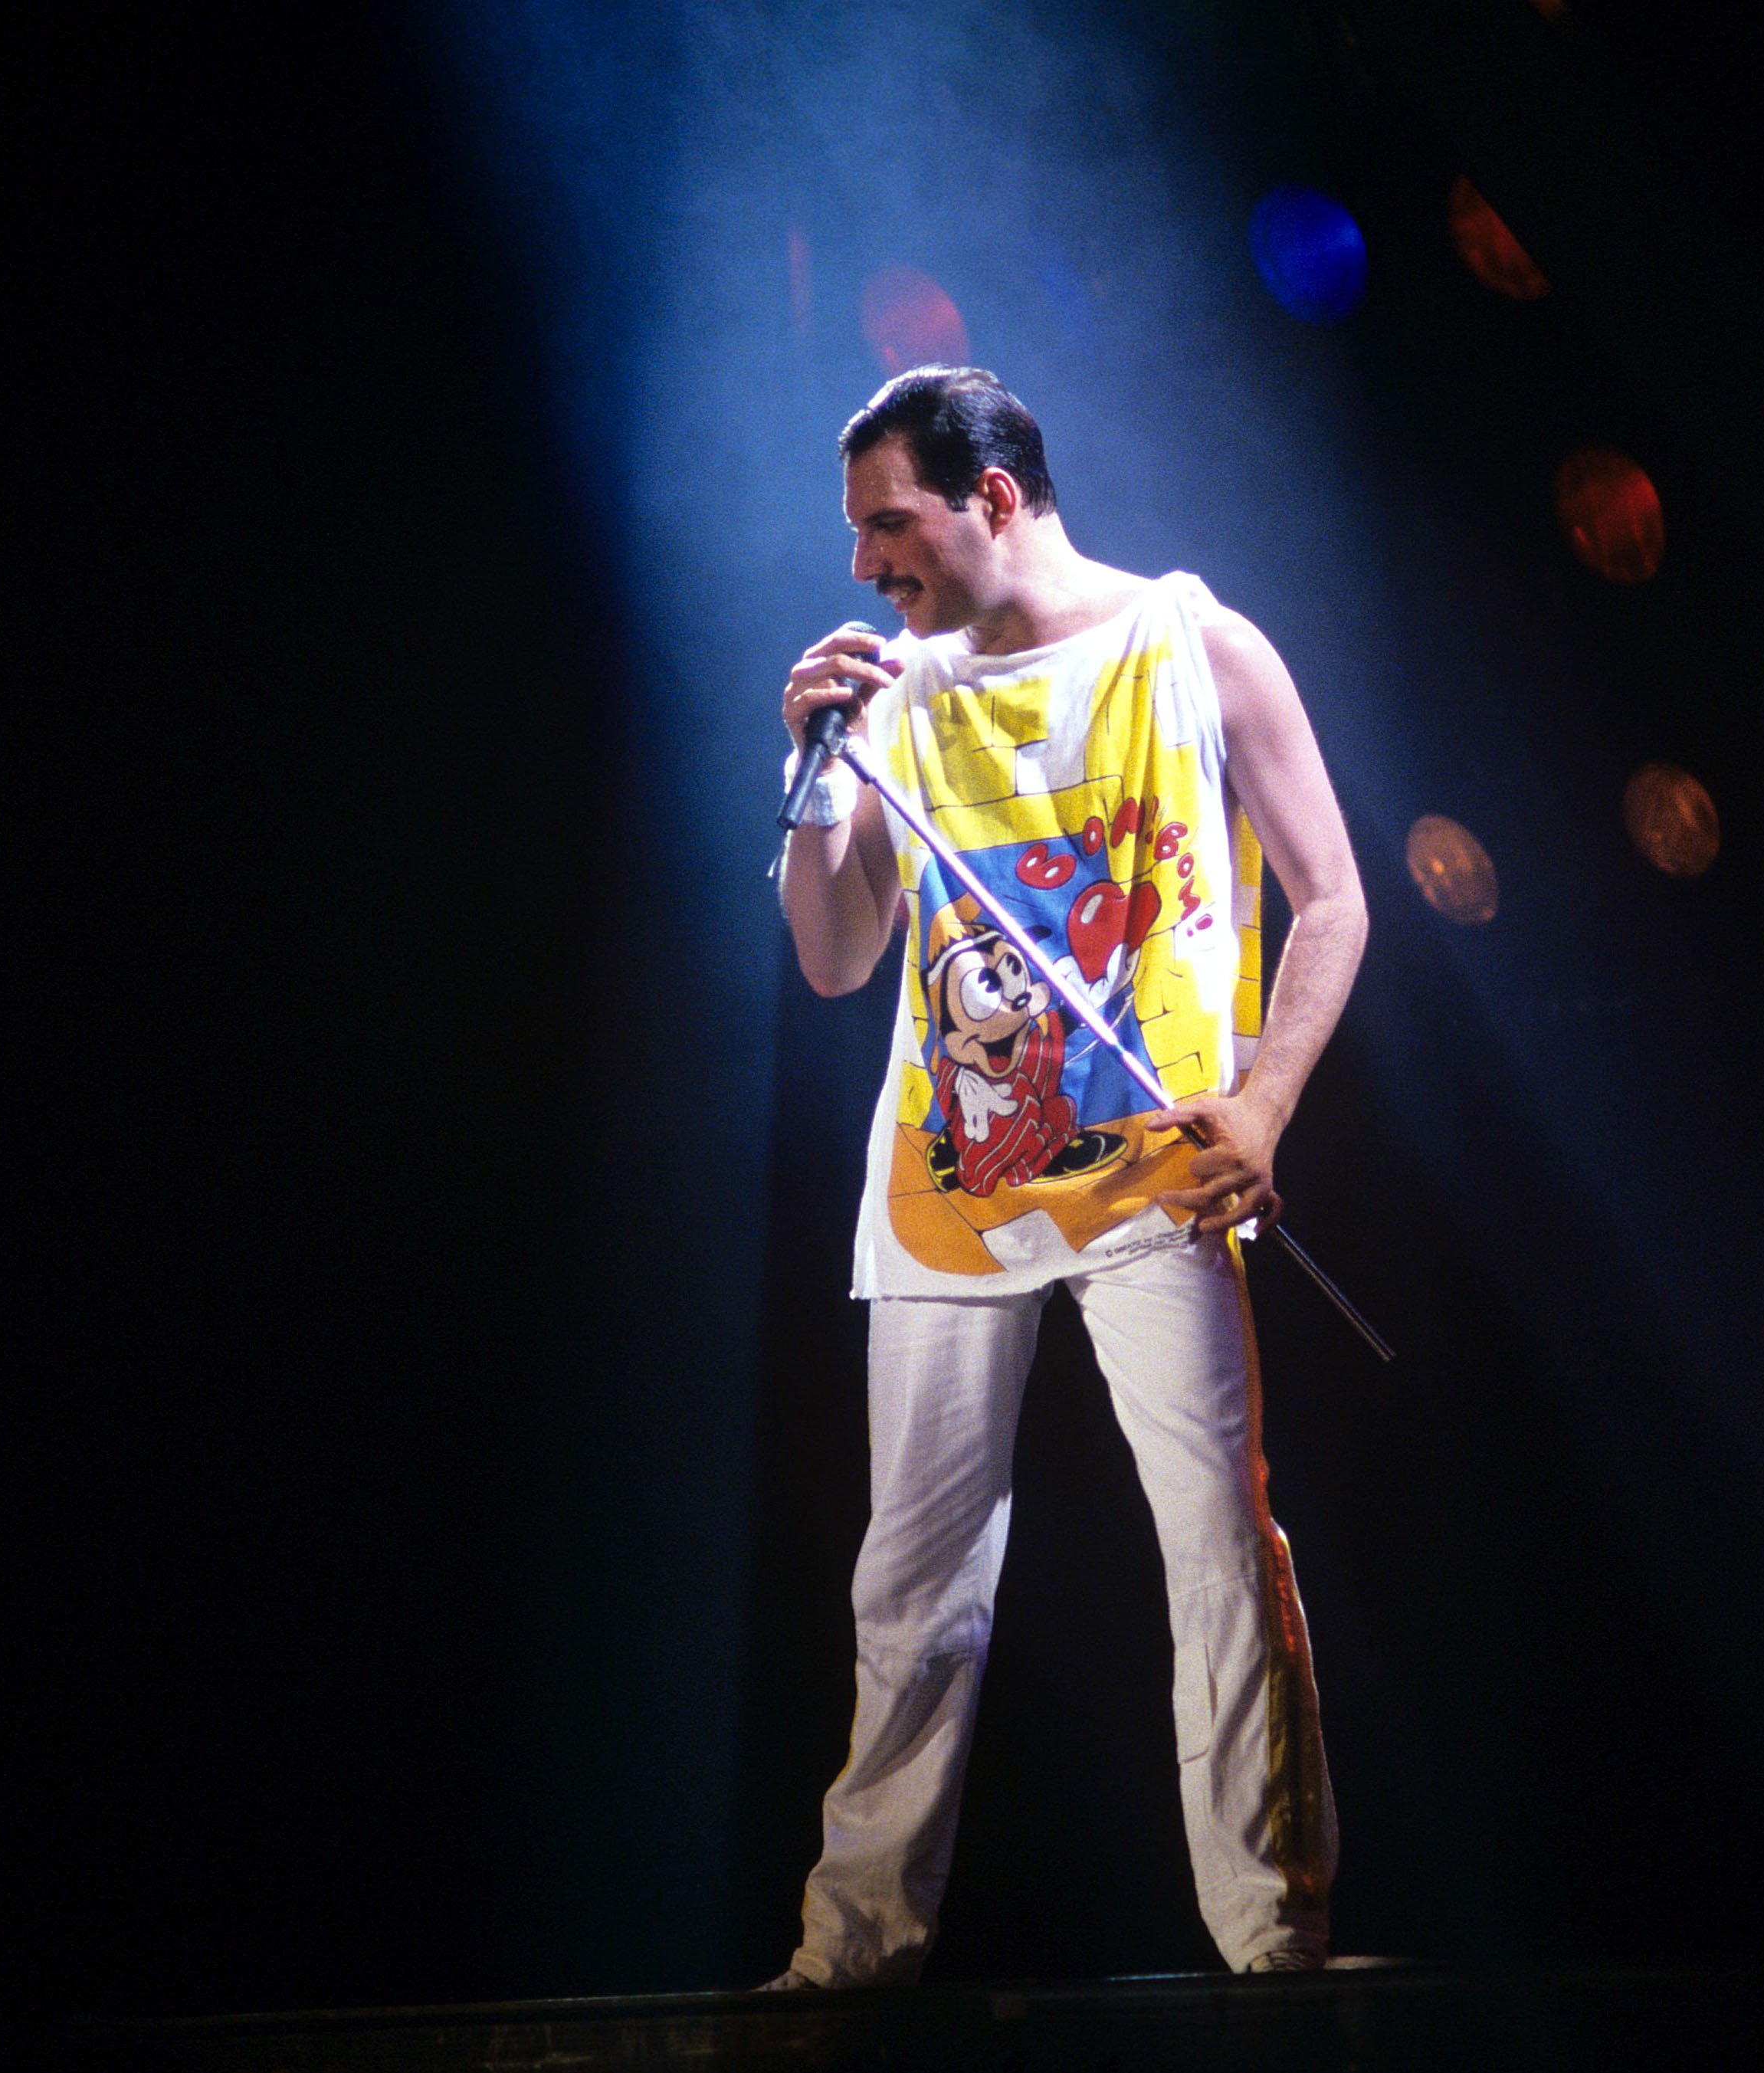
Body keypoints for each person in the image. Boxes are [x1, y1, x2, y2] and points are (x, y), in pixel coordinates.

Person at [765, 367, 1368, 1988]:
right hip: (951, 1184)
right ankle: (852, 1954)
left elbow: (1332, 898)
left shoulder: (1194, 645)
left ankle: (1271, 1942)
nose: (861, 564)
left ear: (997, 497)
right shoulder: (888, 701)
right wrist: (814, 769)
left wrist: (1262, 1108)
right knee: (912, 1576)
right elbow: (833, 962)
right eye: (855, 531)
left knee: (1219, 1550)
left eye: (888, 521)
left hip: (1158, 1174)